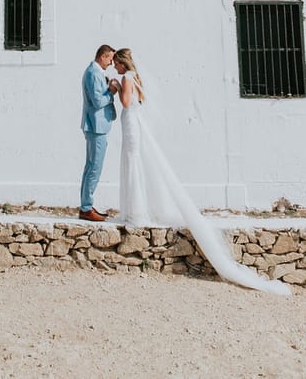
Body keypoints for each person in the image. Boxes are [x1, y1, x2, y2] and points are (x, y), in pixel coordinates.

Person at [112, 47, 290, 296]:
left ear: (122, 63)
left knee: (132, 163)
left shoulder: (127, 78)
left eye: (116, 65)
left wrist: (118, 87)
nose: (115, 69)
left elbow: (127, 102)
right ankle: (136, 208)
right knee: (136, 164)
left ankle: (136, 211)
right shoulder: (136, 78)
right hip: (135, 123)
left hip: (131, 123)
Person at [79, 44, 119, 222]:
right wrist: (111, 92)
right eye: (110, 59)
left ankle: (86, 205)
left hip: (96, 125)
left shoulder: (93, 72)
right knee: (95, 167)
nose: (111, 63)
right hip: (96, 126)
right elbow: (97, 101)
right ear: (103, 56)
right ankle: (86, 208)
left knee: (90, 167)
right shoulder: (94, 73)